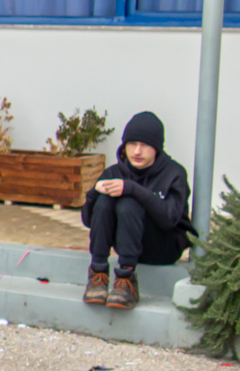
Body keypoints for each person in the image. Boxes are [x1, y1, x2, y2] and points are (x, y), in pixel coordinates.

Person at [80, 111, 189, 311]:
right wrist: (94, 194)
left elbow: (170, 219)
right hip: (127, 245)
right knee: (104, 201)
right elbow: (88, 220)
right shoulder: (113, 172)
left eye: (145, 145)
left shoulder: (174, 173)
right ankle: (98, 274)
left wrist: (133, 189)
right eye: (132, 144)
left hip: (162, 248)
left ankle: (126, 280)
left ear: (157, 148)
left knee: (128, 203)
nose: (137, 151)